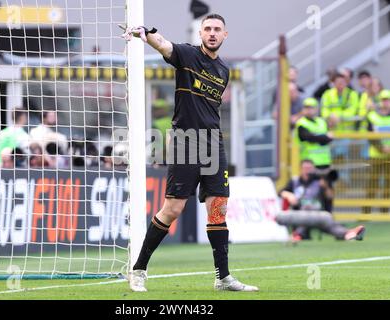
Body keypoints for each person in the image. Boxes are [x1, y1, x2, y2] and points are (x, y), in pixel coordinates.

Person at [122, 14, 258, 292]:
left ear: (225, 35)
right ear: (201, 33)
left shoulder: (224, 70)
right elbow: (164, 45)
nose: (211, 33)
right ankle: (138, 270)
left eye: (217, 29)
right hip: (186, 142)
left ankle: (223, 278)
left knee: (218, 207)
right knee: (173, 209)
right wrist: (145, 33)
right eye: (207, 28)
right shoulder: (187, 54)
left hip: (213, 144)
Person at [279, 159, 365, 242]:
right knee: (308, 212)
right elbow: (280, 192)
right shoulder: (295, 181)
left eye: (310, 168)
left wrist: (325, 186)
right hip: (300, 215)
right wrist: (289, 195)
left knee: (329, 226)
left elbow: (330, 197)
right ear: (301, 169)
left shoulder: (320, 180)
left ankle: (348, 234)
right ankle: (347, 233)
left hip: (319, 214)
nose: (308, 171)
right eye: (305, 168)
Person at [364, 90, 390, 213]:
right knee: (372, 184)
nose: (386, 103)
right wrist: (381, 148)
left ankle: (384, 211)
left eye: (388, 100)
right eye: (384, 100)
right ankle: (366, 212)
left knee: (388, 185)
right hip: (375, 155)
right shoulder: (372, 116)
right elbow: (370, 136)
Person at [295, 98, 333, 170]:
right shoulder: (301, 123)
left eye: (311, 107)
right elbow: (309, 138)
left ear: (316, 109)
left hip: (325, 161)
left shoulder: (322, 122)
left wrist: (321, 138)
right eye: (306, 108)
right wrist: (324, 137)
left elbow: (329, 138)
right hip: (309, 163)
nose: (308, 110)